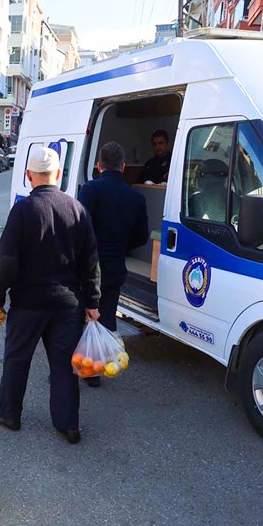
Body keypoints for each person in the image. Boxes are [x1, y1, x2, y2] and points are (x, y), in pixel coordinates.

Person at [0, 146, 100, 444]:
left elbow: (7, 262)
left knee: (17, 359)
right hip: (68, 305)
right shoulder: (77, 209)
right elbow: (90, 262)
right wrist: (93, 303)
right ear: (59, 175)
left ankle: (10, 414)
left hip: (28, 304)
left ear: (28, 176)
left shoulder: (23, 210)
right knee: (64, 364)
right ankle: (69, 425)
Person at [78, 141, 150, 387]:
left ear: (99, 166)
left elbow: (80, 230)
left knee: (80, 316)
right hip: (116, 265)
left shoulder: (90, 190)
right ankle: (98, 370)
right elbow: (142, 236)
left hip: (88, 266)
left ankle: (78, 365)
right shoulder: (136, 197)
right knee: (106, 316)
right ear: (124, 166)